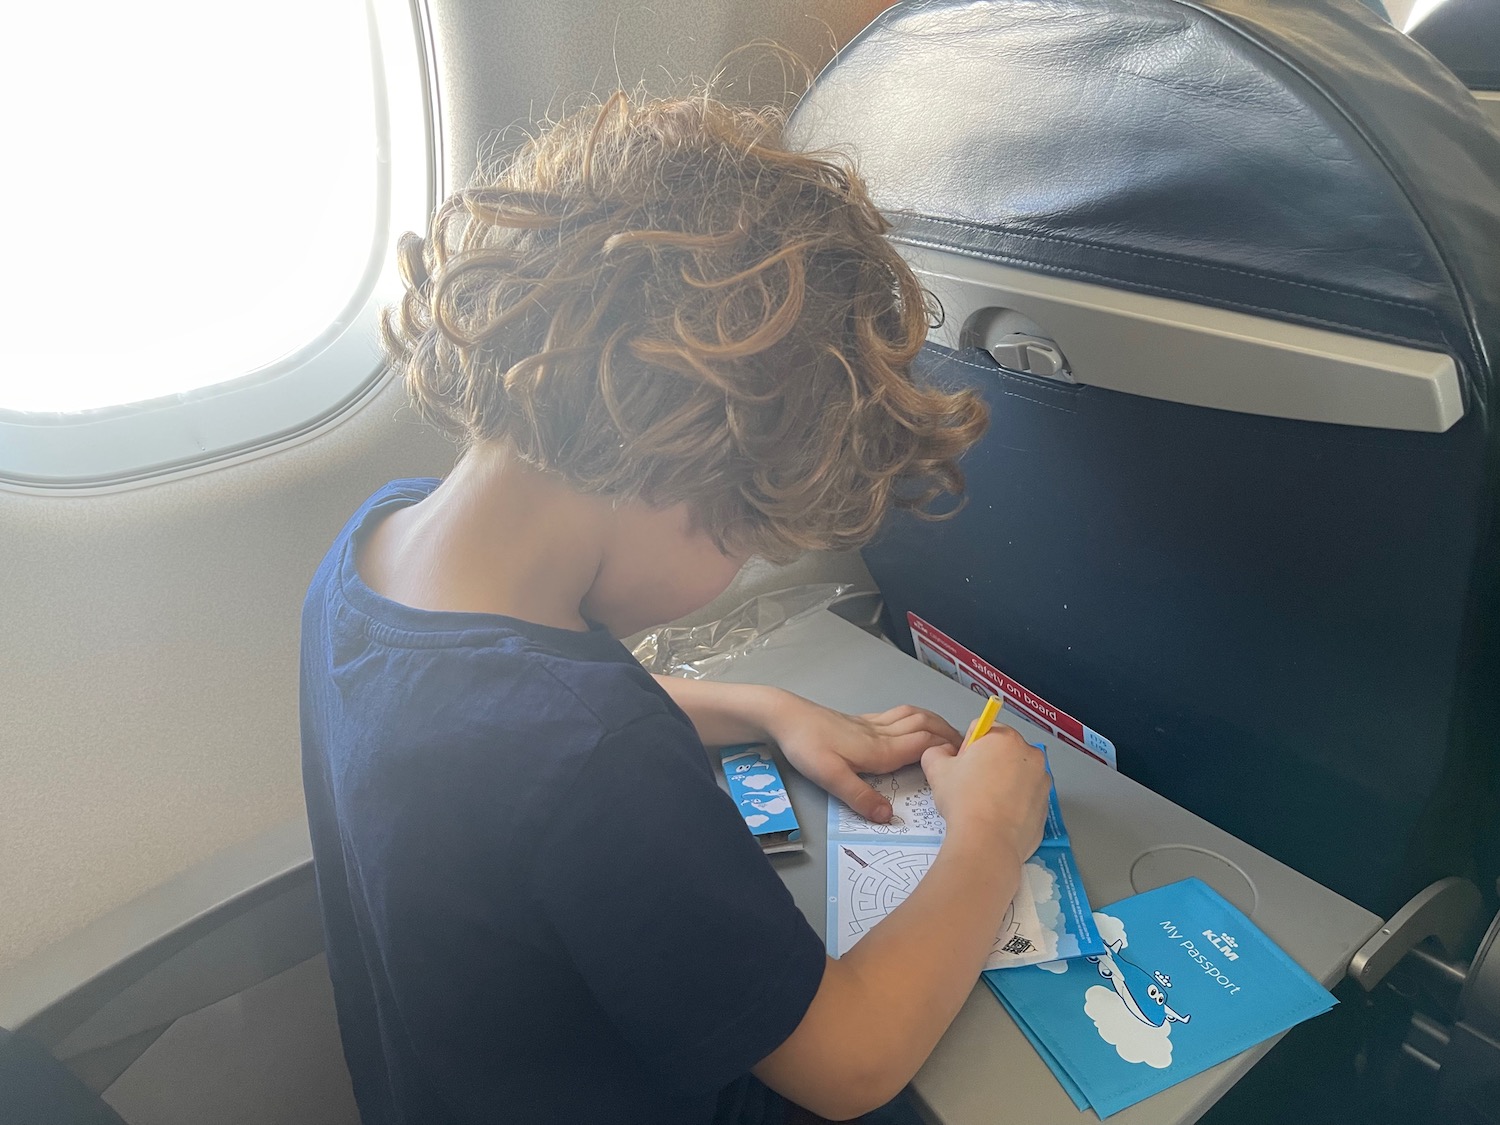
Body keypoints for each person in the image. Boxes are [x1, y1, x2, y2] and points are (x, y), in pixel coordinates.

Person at [299, 89, 1052, 1125]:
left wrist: (765, 709)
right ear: (675, 467)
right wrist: (988, 836)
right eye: (745, 541)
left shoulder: (379, 547)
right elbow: (851, 1062)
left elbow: (491, 719)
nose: (737, 571)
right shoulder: (595, 759)